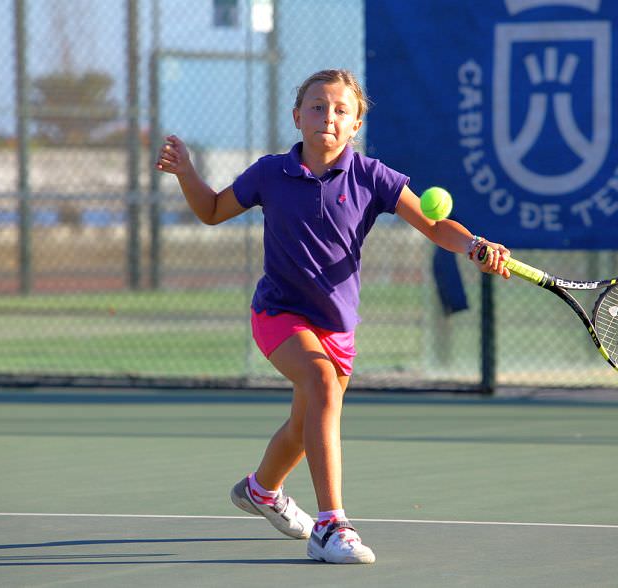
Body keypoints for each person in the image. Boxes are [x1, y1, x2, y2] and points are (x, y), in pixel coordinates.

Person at [156, 69, 510, 564]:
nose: (329, 116)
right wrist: (187, 172)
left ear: (355, 125)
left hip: (336, 325)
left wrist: (473, 244)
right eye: (318, 107)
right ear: (298, 117)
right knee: (321, 386)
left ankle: (261, 490)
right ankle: (330, 525)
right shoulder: (269, 173)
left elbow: (435, 226)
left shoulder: (372, 176)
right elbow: (213, 210)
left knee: (306, 427)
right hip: (278, 312)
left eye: (341, 109)